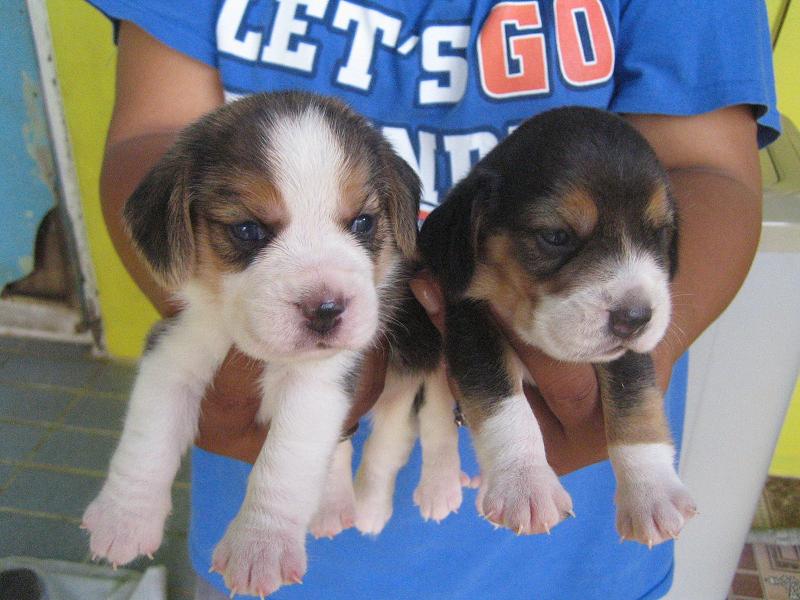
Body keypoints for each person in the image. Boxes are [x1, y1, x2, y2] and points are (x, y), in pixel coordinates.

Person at [85, 1, 779, 598]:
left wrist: (634, 379)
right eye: (248, 229)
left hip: (575, 554)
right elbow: (154, 139)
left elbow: (704, 166)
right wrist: (220, 330)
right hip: (271, 546)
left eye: (363, 224)